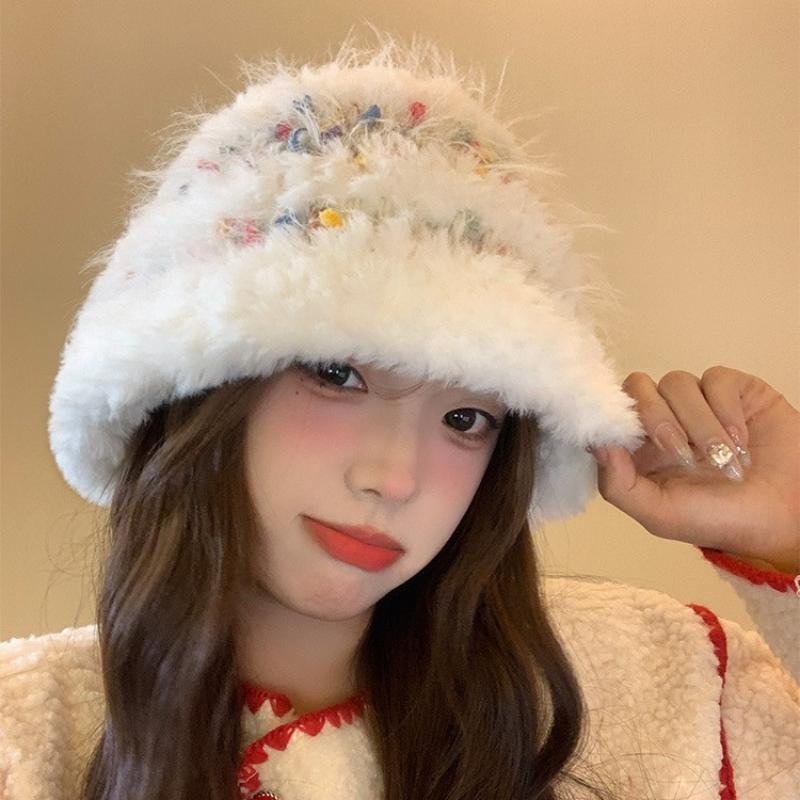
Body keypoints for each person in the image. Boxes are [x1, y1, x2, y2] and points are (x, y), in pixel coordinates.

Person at [1, 24, 797, 800]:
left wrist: (789, 535)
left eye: (466, 419)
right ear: (201, 387)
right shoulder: (25, 735)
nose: (395, 477)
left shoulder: (661, 680)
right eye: (337, 374)